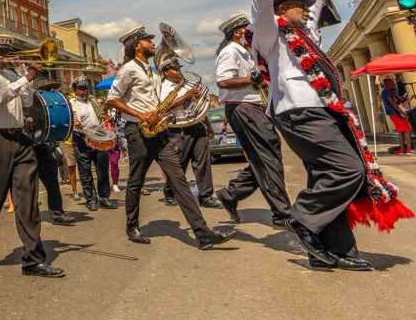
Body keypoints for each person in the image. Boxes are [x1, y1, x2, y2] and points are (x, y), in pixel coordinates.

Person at [250, 0, 378, 270]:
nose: (307, 11)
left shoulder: (307, 34)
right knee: (348, 170)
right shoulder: (271, 36)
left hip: (321, 109)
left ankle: (330, 251)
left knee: (324, 175)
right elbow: (261, 14)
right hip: (298, 111)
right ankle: (302, 217)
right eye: (297, 6)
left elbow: (315, 11)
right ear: (281, 11)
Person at [106, 25, 237, 250]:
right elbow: (112, 98)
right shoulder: (128, 69)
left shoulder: (152, 71)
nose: (153, 43)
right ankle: (132, 225)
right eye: (148, 40)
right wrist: (141, 114)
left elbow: (156, 102)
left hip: (159, 131)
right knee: (136, 181)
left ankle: (203, 233)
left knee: (179, 179)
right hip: (138, 130)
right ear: (137, 44)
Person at [0, 33, 64, 277]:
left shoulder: (13, 75)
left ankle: (33, 260)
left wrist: (25, 75)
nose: (4, 55)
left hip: (20, 139)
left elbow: (27, 99)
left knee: (27, 200)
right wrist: (27, 78)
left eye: (6, 51)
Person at [211, 13, 292, 228]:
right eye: (247, 28)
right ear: (238, 31)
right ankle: (282, 213)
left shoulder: (247, 52)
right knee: (268, 158)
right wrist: (252, 79)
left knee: (264, 157)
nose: (252, 32)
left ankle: (230, 195)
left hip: (253, 108)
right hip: (243, 108)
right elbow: (223, 81)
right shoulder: (230, 51)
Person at [158, 60, 222, 210]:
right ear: (166, 71)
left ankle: (206, 196)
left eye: (179, 68)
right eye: (175, 69)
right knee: (178, 166)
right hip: (177, 129)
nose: (179, 71)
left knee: (203, 163)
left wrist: (208, 126)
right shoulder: (162, 87)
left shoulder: (187, 84)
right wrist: (185, 97)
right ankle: (169, 190)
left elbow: (198, 106)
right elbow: (163, 107)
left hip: (197, 127)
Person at [69, 76, 116, 212]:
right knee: (85, 172)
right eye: (81, 89)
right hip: (81, 139)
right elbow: (68, 121)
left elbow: (100, 114)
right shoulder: (71, 104)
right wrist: (74, 122)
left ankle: (104, 198)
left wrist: (107, 117)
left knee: (102, 170)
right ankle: (91, 200)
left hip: (99, 136)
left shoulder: (94, 100)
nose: (85, 92)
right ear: (75, 90)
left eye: (86, 89)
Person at [381, 78, 415, 155]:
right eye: (392, 83)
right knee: (408, 129)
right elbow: (393, 103)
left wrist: (399, 99)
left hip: (392, 113)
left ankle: (402, 148)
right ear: (388, 84)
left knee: (401, 130)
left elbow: (394, 101)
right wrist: (402, 113)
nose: (394, 84)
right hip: (396, 113)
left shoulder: (385, 92)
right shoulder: (387, 91)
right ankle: (409, 148)